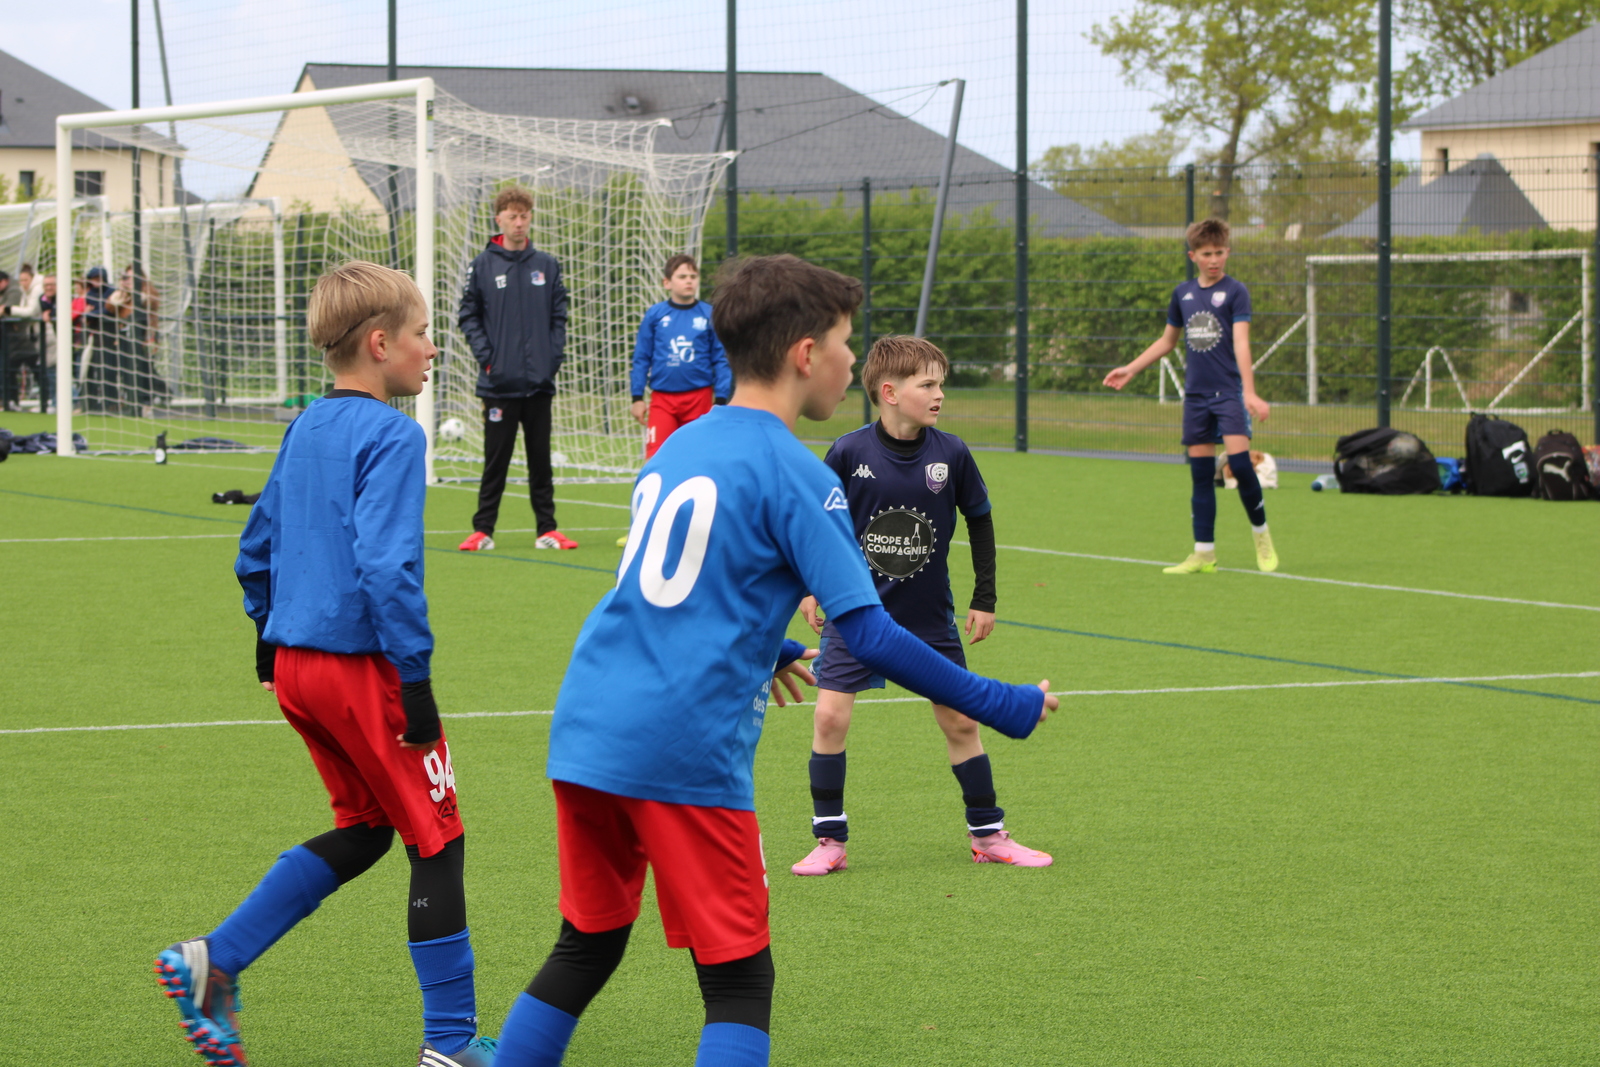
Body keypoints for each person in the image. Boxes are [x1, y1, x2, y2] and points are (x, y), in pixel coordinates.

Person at [486, 254, 1058, 1067]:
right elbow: (871, 635)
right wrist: (1000, 702)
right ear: (805, 354)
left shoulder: (679, 446)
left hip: (587, 727)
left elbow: (671, 592)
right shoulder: (797, 471)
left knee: (587, 945)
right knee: (739, 982)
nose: (852, 362)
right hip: (681, 748)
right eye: (845, 343)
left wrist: (774, 643)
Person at [154, 261, 496, 1067]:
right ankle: (451, 1046)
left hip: (297, 668)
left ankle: (215, 960)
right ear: (379, 343)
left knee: (367, 828)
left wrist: (267, 641)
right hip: (361, 669)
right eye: (421, 335)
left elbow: (255, 548)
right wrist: (416, 679)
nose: (431, 350)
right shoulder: (395, 435)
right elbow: (386, 566)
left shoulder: (306, 425)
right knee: (438, 840)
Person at [790, 335, 1052, 876]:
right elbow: (816, 524)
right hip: (855, 614)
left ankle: (988, 834)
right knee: (829, 717)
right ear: (890, 392)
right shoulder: (848, 452)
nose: (939, 394)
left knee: (960, 721)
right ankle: (829, 840)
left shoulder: (951, 453)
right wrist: (810, 587)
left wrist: (984, 598)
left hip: (929, 618)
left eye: (940, 384)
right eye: (927, 384)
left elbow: (980, 520)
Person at [1102, 217, 1278, 574]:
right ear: (1193, 255)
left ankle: (1262, 536)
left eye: (1219, 252)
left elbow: (1242, 343)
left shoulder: (1236, 291)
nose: (1214, 260)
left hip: (1228, 394)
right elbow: (1167, 341)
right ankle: (1204, 553)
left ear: (1228, 252)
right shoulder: (1182, 294)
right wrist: (1131, 369)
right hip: (1196, 398)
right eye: (1206, 253)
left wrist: (1250, 392)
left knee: (1242, 466)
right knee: (1201, 475)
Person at [457, 184, 578, 552]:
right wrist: (489, 359)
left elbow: (559, 316)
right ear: (499, 219)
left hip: (539, 383)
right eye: (512, 216)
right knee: (496, 461)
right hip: (498, 385)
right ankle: (483, 531)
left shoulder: (547, 265)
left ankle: (547, 530)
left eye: (524, 216)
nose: (519, 222)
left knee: (541, 461)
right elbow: (468, 316)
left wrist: (551, 360)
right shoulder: (482, 265)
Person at [630, 254, 731, 457]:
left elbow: (721, 360)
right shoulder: (655, 315)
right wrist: (637, 397)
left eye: (693, 276)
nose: (689, 281)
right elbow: (641, 358)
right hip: (662, 400)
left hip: (699, 398)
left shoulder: (709, 314)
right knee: (656, 458)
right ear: (667, 283)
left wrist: (720, 399)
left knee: (698, 457)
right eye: (682, 276)